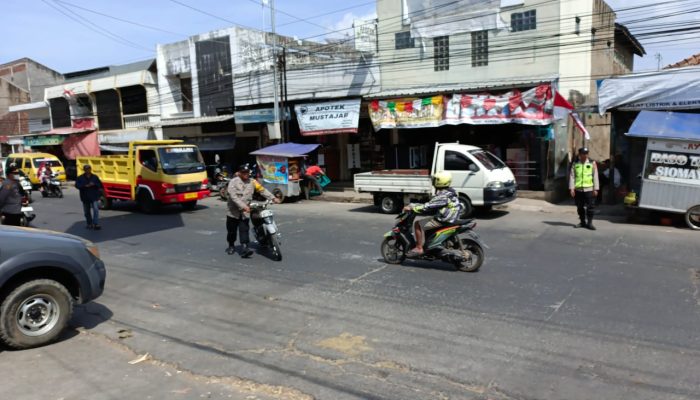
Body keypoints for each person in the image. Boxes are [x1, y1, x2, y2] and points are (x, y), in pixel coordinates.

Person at [403, 171, 464, 257]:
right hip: (453, 217)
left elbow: (428, 206)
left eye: (435, 179)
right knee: (429, 220)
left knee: (418, 224)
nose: (433, 181)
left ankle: (419, 248)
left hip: (444, 219)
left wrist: (413, 208)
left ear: (440, 181)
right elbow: (433, 203)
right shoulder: (451, 191)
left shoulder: (443, 195)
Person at [226, 165, 279, 258]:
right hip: (233, 211)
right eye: (244, 173)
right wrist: (243, 206)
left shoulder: (253, 182)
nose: (246, 174)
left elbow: (262, 190)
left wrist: (273, 198)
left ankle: (245, 248)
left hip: (245, 211)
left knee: (244, 229)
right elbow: (233, 197)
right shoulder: (233, 182)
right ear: (239, 173)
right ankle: (231, 245)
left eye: (247, 172)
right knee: (232, 231)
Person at [569, 147, 599, 230]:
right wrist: (571, 188)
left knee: (590, 207)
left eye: (586, 153)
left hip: (589, 189)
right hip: (578, 189)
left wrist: (595, 188)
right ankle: (582, 222)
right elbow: (572, 176)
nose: (585, 155)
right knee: (580, 207)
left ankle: (590, 223)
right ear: (580, 154)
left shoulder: (592, 163)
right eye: (583, 153)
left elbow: (595, 176)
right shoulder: (575, 163)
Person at [75, 165, 104, 230]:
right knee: (87, 211)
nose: (88, 170)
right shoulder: (80, 178)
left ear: (90, 169)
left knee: (96, 210)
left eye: (89, 169)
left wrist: (94, 184)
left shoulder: (95, 177)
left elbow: (100, 185)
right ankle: (89, 223)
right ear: (84, 170)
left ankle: (95, 223)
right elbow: (77, 185)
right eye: (86, 169)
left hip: (94, 196)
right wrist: (85, 186)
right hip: (85, 197)